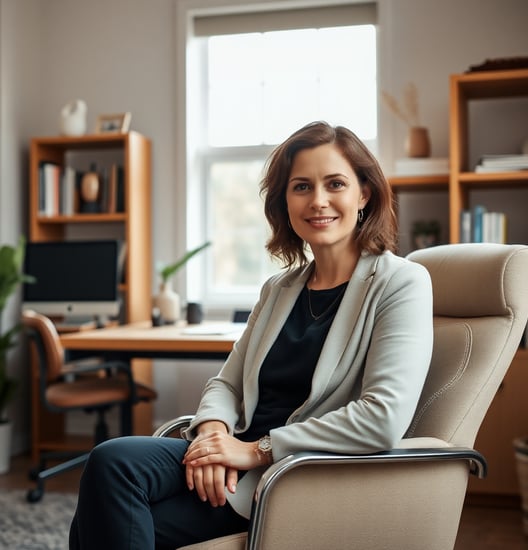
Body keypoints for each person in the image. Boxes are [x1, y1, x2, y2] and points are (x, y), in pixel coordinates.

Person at [69, 121, 433, 549]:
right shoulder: (280, 289)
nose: (318, 201)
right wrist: (212, 436)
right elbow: (226, 382)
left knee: (106, 517)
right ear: (285, 200)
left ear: (364, 194)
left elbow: (382, 417)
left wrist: (256, 450)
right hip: (235, 454)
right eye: (301, 187)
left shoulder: (401, 282)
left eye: (335, 183)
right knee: (110, 463)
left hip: (293, 472)